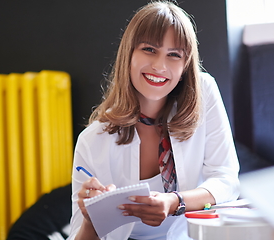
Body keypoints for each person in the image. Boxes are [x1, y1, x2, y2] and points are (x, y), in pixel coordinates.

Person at [68, 1, 240, 239]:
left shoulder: (204, 91)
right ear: (128, 53)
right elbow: (79, 235)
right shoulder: (92, 140)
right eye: (149, 49)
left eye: (173, 55)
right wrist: (91, 219)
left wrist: (175, 201)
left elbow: (227, 180)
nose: (160, 66)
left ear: (184, 66)